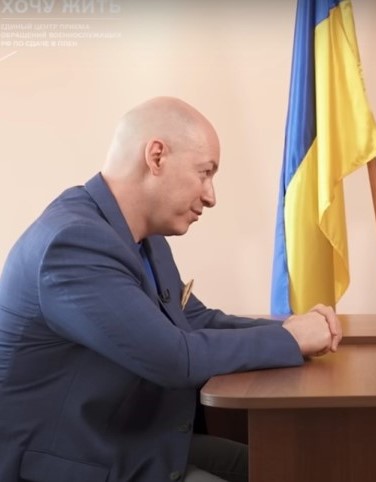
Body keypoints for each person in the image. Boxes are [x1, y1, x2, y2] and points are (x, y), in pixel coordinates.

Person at [0, 97, 342, 482]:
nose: (211, 196)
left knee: (295, 468)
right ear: (157, 156)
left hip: (125, 444)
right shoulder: (75, 244)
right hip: (73, 464)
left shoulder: (144, 237)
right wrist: (291, 340)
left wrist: (290, 329)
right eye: (205, 172)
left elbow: (195, 321)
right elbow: (173, 358)